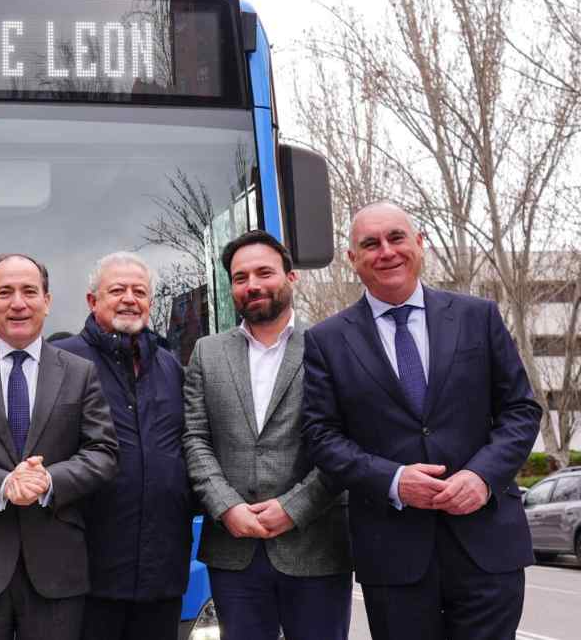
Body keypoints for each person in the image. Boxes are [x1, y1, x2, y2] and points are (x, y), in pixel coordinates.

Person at [302, 202, 541, 639]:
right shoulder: (325, 341)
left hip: (487, 547)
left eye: (396, 237)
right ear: (353, 259)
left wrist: (482, 477)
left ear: (419, 244)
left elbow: (521, 411)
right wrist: (393, 480)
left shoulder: (479, 316)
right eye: (370, 244)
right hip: (393, 556)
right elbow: (321, 437)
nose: (386, 252)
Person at [0, 253, 119, 640]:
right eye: (4, 292)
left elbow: (103, 452)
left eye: (29, 291)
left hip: (57, 565)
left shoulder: (79, 373)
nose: (17, 303)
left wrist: (48, 481)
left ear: (47, 301)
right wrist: (3, 484)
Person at [184, 231, 351, 639]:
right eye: (240, 278)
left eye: (264, 273)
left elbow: (346, 442)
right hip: (232, 550)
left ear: (290, 278)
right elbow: (194, 438)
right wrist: (227, 507)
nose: (252, 285)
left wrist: (293, 507)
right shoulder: (207, 352)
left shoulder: (332, 346)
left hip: (316, 546)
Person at [53, 252, 193, 640]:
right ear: (92, 301)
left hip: (162, 571)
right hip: (86, 571)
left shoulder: (169, 366)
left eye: (140, 291)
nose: (130, 298)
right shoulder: (62, 361)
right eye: (117, 290)